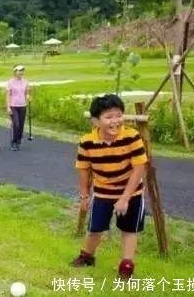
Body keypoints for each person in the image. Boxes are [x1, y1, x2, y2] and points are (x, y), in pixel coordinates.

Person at [70, 94, 148, 280]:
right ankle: (87, 257)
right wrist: (84, 196)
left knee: (129, 229)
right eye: (109, 117)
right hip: (103, 192)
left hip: (131, 192)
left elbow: (139, 169)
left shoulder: (132, 137)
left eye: (118, 115)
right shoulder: (87, 141)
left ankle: (126, 265)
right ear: (96, 120)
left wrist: (124, 199)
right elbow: (83, 170)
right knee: (96, 228)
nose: (115, 121)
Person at [5, 64, 30, 151]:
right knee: (16, 124)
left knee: (21, 125)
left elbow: (27, 92)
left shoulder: (26, 81)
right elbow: (8, 95)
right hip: (13, 106)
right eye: (19, 70)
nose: (21, 72)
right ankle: (14, 142)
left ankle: (18, 140)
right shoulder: (10, 82)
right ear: (15, 72)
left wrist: (28, 96)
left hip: (23, 106)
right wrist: (8, 107)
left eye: (22, 70)